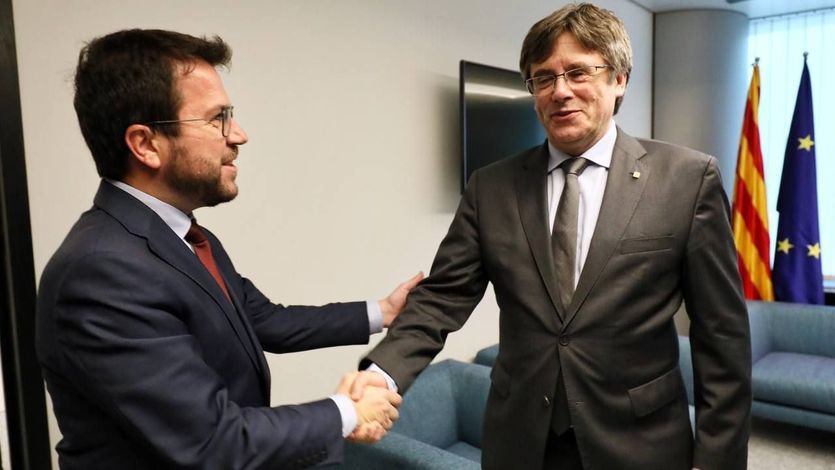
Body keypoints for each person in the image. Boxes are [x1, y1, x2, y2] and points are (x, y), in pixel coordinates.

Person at [352, 3, 751, 469]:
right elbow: (442, 297)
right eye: (544, 78)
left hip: (640, 441)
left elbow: (721, 335)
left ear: (619, 79)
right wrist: (383, 374)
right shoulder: (491, 186)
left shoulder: (686, 179)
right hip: (521, 439)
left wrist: (718, 458)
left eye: (578, 72)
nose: (560, 91)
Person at [35, 29, 422, 469]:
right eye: (217, 118)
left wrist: (383, 312)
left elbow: (263, 319)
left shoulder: (182, 235)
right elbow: (213, 441)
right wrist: (348, 411)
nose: (238, 135)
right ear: (145, 145)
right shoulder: (101, 272)